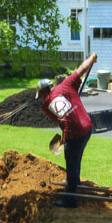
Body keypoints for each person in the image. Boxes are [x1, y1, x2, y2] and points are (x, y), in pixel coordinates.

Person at [36, 52, 98, 208]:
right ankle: (75, 182)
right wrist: (92, 58)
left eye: (41, 96)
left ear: (43, 93)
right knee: (76, 157)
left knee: (71, 164)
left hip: (74, 133)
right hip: (87, 127)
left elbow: (59, 119)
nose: (42, 99)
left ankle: (70, 200)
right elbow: (82, 68)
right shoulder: (66, 85)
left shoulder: (45, 105)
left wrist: (66, 135)